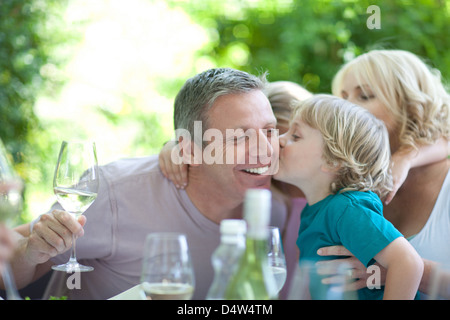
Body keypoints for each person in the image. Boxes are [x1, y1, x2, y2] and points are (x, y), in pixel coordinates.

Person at [6, 68, 287, 300]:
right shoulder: (116, 193)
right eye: (239, 137)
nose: (266, 150)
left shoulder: (275, 211)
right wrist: (30, 251)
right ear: (189, 151)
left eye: (270, 131)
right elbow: (10, 258)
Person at [159, 80, 312, 298]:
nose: (270, 150)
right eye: (282, 136)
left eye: (271, 132)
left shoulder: (283, 201)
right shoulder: (273, 195)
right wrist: (177, 148)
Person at [319, 49, 449, 297]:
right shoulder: (348, 187)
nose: (345, 108)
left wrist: (400, 270)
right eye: (342, 97)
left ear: (411, 107)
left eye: (365, 95)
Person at [275, 94, 423, 299]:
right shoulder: (316, 210)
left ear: (333, 161)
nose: (279, 139)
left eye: (295, 136)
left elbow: (408, 262)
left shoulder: (347, 208)